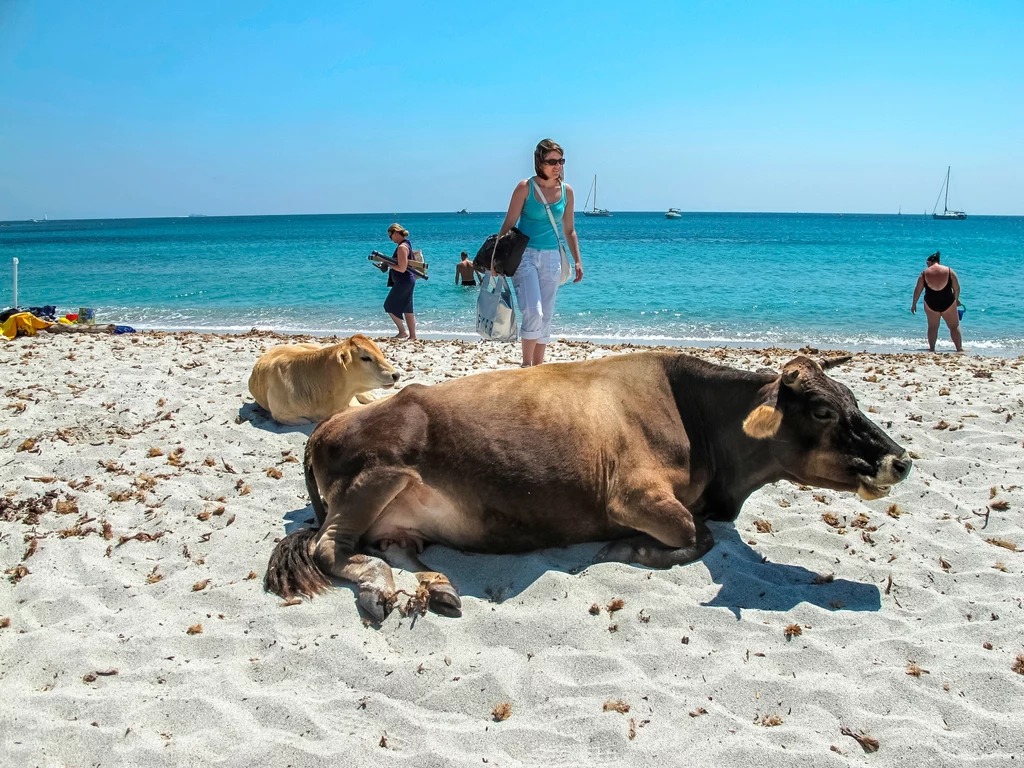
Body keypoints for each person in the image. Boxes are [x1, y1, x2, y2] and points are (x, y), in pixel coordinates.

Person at [493, 138, 583, 367]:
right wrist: (495, 258)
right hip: (524, 255)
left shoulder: (567, 191)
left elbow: (570, 230)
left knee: (547, 313)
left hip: (552, 257)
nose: (558, 166)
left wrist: (578, 261)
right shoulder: (525, 187)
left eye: (561, 160)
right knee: (533, 310)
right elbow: (509, 223)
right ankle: (526, 366)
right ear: (539, 161)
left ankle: (539, 368)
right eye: (552, 161)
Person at [911, 251, 962, 353]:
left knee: (933, 327)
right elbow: (956, 288)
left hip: (931, 302)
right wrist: (956, 300)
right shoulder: (949, 271)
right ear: (939, 261)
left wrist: (914, 304)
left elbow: (918, 290)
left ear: (929, 262)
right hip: (948, 301)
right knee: (954, 326)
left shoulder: (924, 273)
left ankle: (932, 349)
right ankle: (959, 349)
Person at [383, 223, 417, 340]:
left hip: (404, 281)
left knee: (388, 305)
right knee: (408, 309)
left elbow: (402, 268)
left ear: (396, 233)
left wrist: (388, 264)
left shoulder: (402, 247)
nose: (390, 238)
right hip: (408, 280)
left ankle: (403, 332)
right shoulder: (407, 243)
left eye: (390, 236)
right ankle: (413, 336)